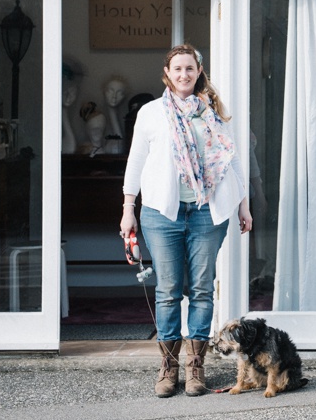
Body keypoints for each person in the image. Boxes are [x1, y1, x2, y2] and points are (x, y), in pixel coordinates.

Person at [119, 44, 251, 398]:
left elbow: (233, 161)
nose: (183, 75)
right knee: (167, 291)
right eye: (177, 69)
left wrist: (243, 205)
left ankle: (195, 368)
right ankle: (168, 368)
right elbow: (135, 162)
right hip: (162, 214)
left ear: (198, 72)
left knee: (202, 290)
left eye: (189, 69)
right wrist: (128, 207)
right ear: (167, 73)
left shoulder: (214, 112)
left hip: (207, 213)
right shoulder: (150, 113)